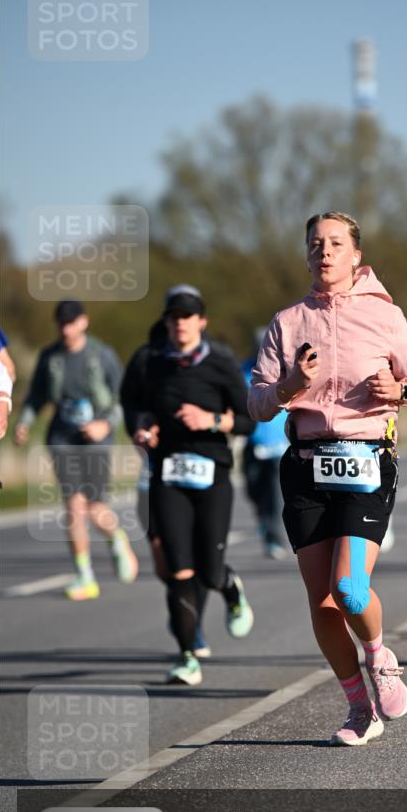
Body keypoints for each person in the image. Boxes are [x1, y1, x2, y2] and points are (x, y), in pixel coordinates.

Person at [249, 211, 407, 745]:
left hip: (365, 461)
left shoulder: (385, 316)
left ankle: (379, 657)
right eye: (315, 244)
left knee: (350, 590)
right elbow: (257, 402)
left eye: (335, 243)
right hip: (306, 466)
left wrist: (397, 393)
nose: (324, 252)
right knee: (322, 603)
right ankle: (359, 710)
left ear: (355, 254)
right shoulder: (287, 323)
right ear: (307, 255)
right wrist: (288, 385)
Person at [132, 286, 255, 686]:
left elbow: (250, 419)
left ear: (201, 322)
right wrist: (142, 428)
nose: (180, 323)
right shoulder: (152, 363)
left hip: (213, 476)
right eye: (173, 316)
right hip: (168, 476)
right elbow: (136, 406)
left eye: (187, 316)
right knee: (179, 571)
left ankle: (230, 586)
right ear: (166, 322)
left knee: (209, 569)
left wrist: (212, 420)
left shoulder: (220, 362)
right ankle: (186, 657)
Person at [14, 300, 137, 600]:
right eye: (61, 323)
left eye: (71, 322)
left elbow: (125, 397)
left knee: (95, 508)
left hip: (96, 438)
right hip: (62, 437)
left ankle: (116, 538)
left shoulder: (102, 355)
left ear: (84, 322)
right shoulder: (50, 357)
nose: (66, 328)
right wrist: (24, 422)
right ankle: (84, 576)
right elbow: (36, 397)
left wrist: (105, 425)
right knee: (73, 507)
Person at [120, 298, 211, 657]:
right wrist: (140, 430)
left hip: (196, 475)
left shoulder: (199, 367)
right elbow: (129, 406)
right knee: (168, 563)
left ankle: (193, 629)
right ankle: (183, 609)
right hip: (152, 478)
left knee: (195, 562)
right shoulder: (144, 364)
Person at [242, 327, 289, 559]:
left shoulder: (285, 371)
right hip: (253, 442)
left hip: (279, 445)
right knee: (253, 489)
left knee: (273, 493)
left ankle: (274, 538)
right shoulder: (243, 371)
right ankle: (263, 519)